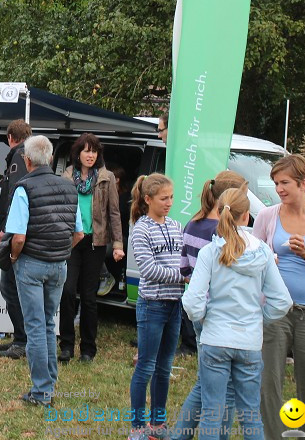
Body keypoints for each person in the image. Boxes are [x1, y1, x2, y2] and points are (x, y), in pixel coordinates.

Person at [182, 187, 291, 440]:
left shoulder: (211, 252)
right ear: (247, 216)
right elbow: (282, 301)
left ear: (219, 213)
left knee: (212, 412)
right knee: (250, 415)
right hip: (249, 341)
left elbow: (192, 300)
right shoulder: (263, 252)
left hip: (216, 338)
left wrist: (205, 317)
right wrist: (259, 318)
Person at [253, 155, 305, 440]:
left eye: (285, 183)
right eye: (276, 183)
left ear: (303, 184)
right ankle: (272, 436)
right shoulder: (267, 216)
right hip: (275, 312)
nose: (279, 188)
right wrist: (268, 262)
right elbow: (251, 260)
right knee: (269, 382)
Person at [5, 135, 84, 408]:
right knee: (49, 324)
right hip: (59, 264)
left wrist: (14, 256)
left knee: (36, 327)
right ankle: (48, 383)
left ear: (27, 160)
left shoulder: (23, 188)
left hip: (32, 262)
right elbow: (79, 233)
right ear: (50, 158)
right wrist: (62, 252)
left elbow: (17, 236)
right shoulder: (69, 187)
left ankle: (41, 391)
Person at [171, 171, 247, 440]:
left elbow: (184, 269)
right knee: (223, 387)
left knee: (205, 382)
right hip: (221, 314)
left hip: (197, 310)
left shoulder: (193, 223)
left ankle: (180, 435)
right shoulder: (223, 233)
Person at [128, 173, 184, 440]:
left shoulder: (175, 225)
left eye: (171, 197)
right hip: (152, 305)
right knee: (146, 366)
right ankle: (137, 427)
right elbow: (148, 270)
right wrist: (183, 276)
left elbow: (182, 259)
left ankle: (157, 425)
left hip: (175, 305)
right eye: (164, 198)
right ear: (148, 199)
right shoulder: (141, 228)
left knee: (164, 367)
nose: (169, 203)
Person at [60, 132, 124, 363]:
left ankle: (88, 349)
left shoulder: (106, 178)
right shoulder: (66, 177)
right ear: (78, 153)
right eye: (86, 150)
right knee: (67, 292)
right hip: (71, 241)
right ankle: (66, 345)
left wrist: (117, 244)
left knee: (88, 297)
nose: (90, 155)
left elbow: (114, 213)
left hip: (95, 243)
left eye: (94, 151)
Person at [0, 119, 32, 360]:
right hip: (23, 232)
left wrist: (5, 229)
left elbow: (13, 196)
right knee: (14, 289)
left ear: (10, 137)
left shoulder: (18, 157)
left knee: (10, 288)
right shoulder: (27, 155)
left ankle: (21, 340)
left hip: (15, 233)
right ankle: (20, 336)